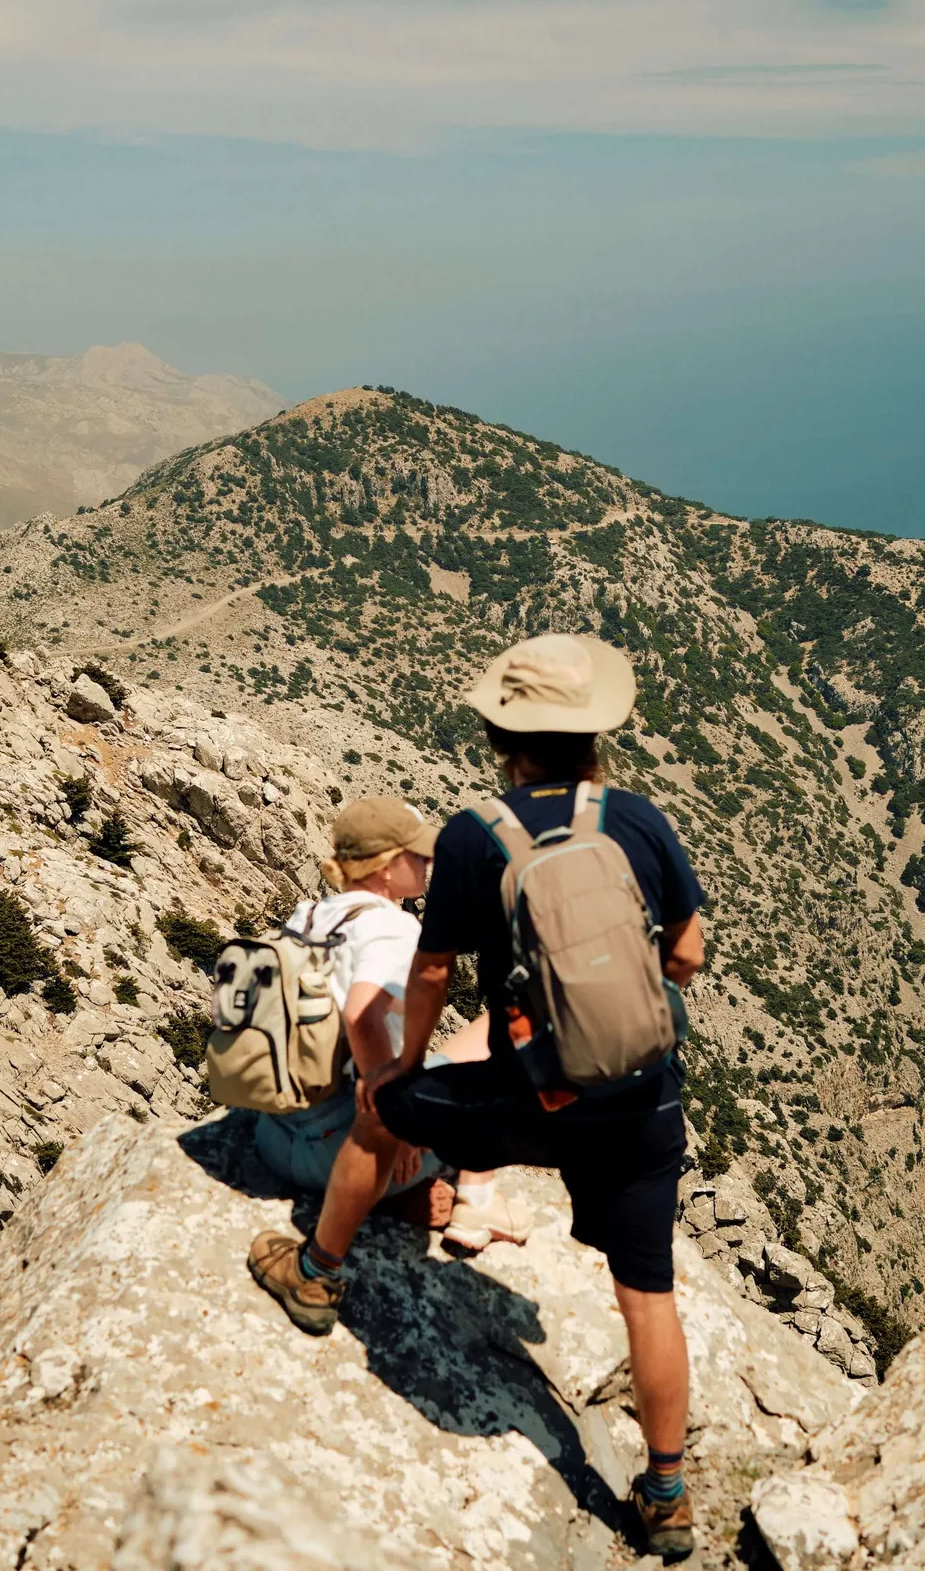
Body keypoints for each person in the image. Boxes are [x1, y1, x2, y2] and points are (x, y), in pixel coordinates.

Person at [249, 635, 706, 1560]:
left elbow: (429, 970)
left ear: (501, 731)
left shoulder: (471, 836)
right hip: (640, 1099)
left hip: (524, 1096)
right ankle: (666, 1495)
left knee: (382, 1115)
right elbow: (688, 957)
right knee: (647, 1295)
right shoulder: (640, 818)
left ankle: (318, 1276)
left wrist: (401, 1067)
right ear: (594, 734)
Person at [252, 793, 533, 1248]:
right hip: (338, 1152)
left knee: (483, 1033)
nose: (428, 860)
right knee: (521, 1025)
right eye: (418, 852)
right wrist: (400, 1125)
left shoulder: (309, 916)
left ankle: (395, 1197)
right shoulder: (393, 928)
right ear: (385, 865)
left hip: (274, 1138)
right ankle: (475, 1204)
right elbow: (363, 1018)